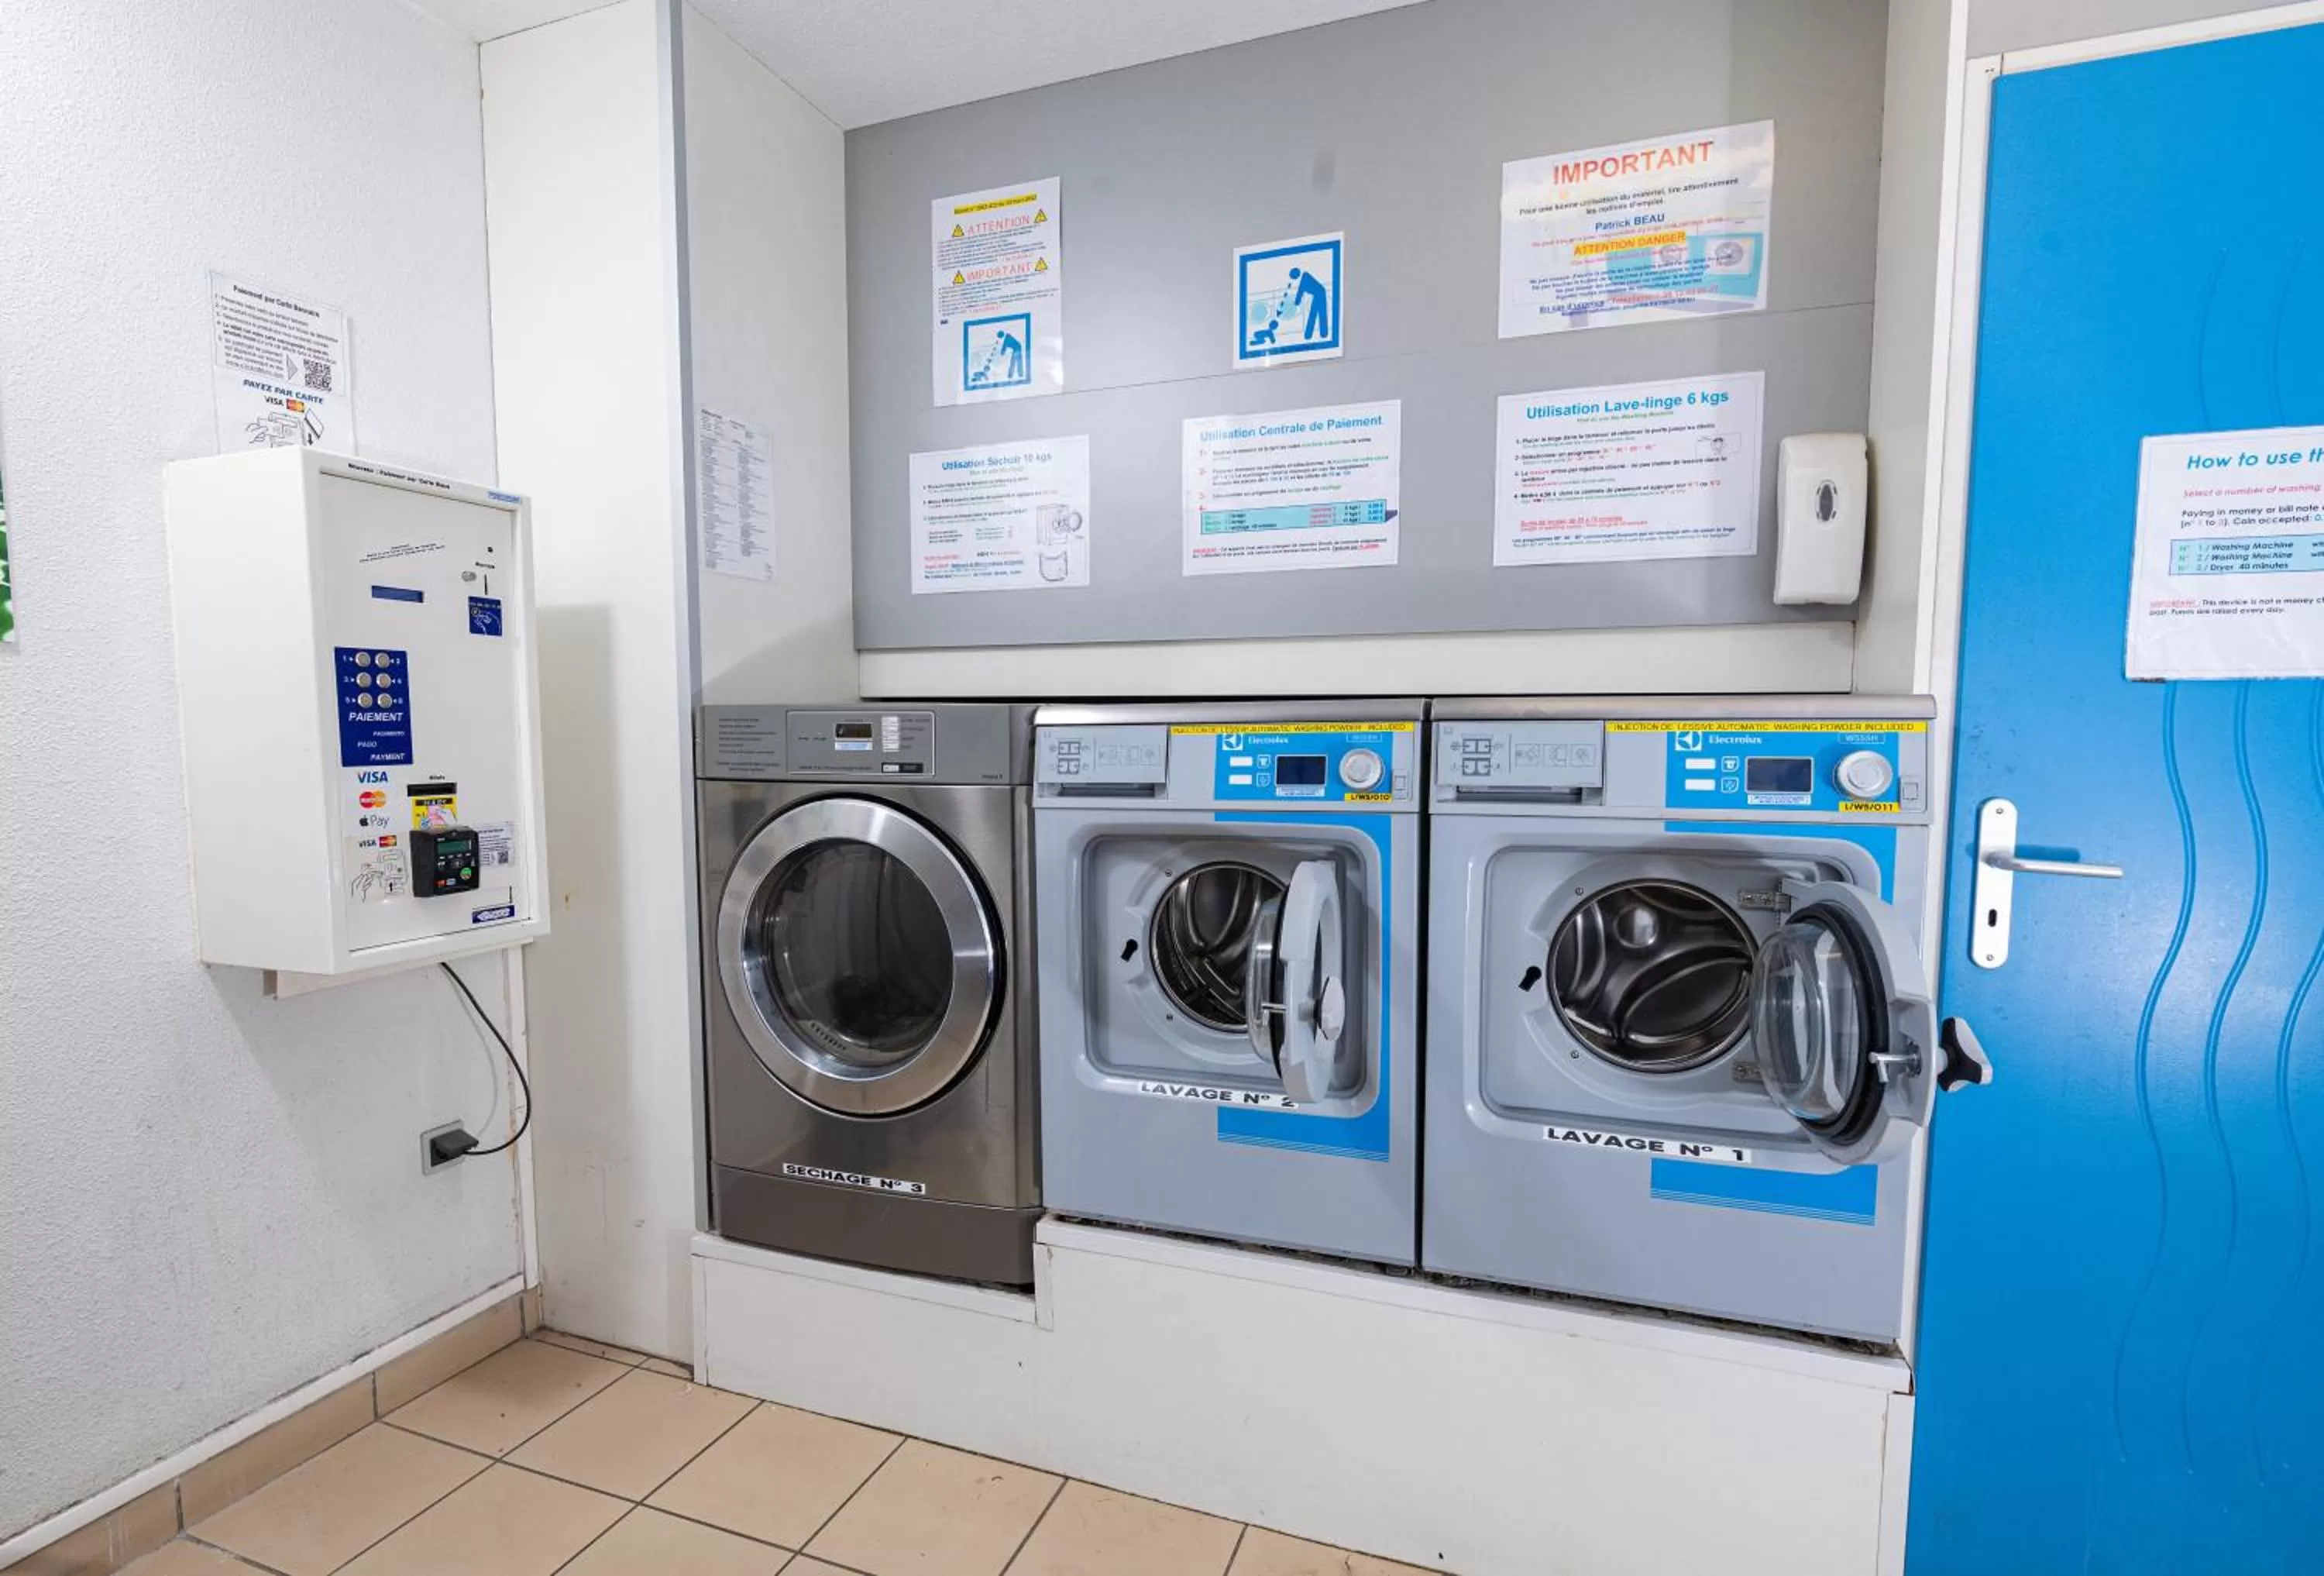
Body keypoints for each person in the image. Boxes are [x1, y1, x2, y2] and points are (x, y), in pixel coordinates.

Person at [1291, 265, 1330, 342]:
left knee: (1319, 313)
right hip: (1317, 295)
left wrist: (1297, 302)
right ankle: (1312, 334)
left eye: (1293, 277)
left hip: (1320, 293)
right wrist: (1297, 302)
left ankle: (1317, 334)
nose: (1294, 279)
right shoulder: (1303, 278)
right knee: (1314, 313)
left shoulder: (1305, 276)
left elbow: (1300, 290)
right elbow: (1300, 290)